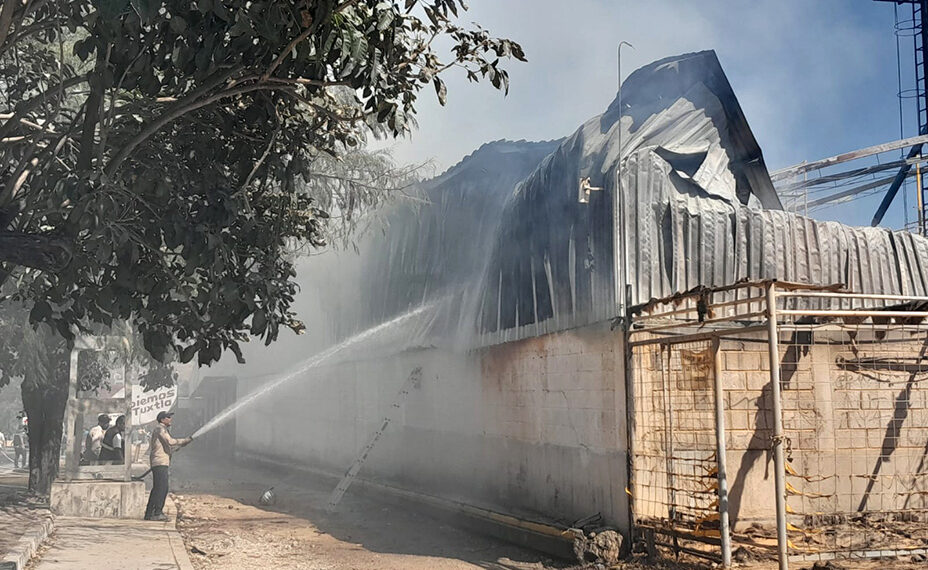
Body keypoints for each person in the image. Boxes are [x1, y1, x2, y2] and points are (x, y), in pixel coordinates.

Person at [144, 411, 193, 521]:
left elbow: (169, 447)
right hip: (160, 462)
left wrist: (182, 445)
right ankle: (157, 513)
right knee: (162, 488)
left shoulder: (162, 429)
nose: (170, 419)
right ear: (162, 419)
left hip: (160, 461)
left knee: (157, 488)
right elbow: (170, 442)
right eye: (168, 417)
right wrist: (184, 440)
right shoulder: (160, 429)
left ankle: (149, 513)